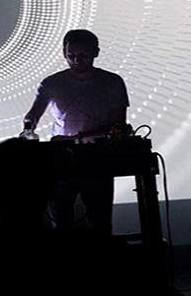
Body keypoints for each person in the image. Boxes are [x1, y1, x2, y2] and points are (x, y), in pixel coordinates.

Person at [23, 29, 129, 233]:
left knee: (100, 223)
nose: (76, 61)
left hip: (98, 158)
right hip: (61, 160)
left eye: (83, 55)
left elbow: (118, 126)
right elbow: (33, 114)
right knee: (61, 224)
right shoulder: (51, 83)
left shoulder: (112, 82)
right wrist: (29, 127)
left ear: (96, 52)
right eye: (70, 55)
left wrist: (76, 138)